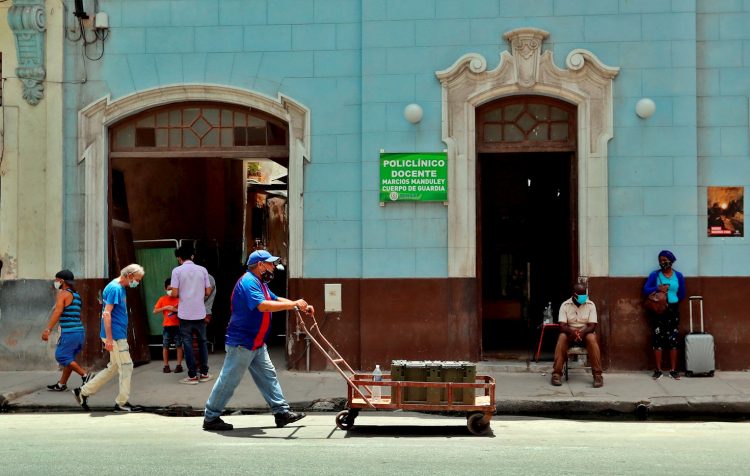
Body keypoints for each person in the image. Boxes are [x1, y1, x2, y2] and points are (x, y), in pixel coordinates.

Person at [202, 250, 313, 431]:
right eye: (270, 264)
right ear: (260, 265)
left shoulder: (259, 283)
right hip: (242, 343)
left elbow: (275, 299)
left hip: (256, 343)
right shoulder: (248, 282)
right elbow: (263, 306)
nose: (273, 267)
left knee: (268, 377)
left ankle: (281, 413)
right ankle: (211, 417)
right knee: (229, 380)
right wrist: (293, 304)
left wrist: (299, 306)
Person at [72, 264, 145, 412]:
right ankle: (121, 403)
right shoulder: (116, 288)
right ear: (130, 275)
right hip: (116, 336)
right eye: (137, 279)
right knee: (126, 367)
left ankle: (83, 392)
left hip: (116, 335)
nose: (137, 282)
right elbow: (107, 314)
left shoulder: (117, 287)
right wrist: (110, 339)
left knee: (114, 367)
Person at [41, 270, 91, 391]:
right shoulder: (76, 294)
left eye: (56, 280)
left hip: (70, 332)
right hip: (78, 332)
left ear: (61, 281)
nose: (55, 282)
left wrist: (48, 330)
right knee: (69, 358)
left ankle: (86, 376)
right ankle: (61, 384)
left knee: (61, 356)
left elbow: (57, 312)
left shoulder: (62, 293)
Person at [171, 245, 212, 384]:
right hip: (200, 313)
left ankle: (193, 376)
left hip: (184, 314)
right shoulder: (203, 270)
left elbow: (175, 293)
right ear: (193, 256)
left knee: (187, 344)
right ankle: (205, 373)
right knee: (202, 343)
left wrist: (175, 291)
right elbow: (208, 291)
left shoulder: (176, 271)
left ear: (179, 258)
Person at [643, 250, 686, 380]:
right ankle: (658, 370)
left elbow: (682, 294)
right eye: (660, 260)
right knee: (658, 339)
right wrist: (658, 289)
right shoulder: (654, 275)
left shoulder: (678, 276)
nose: (663, 262)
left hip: (673, 310)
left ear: (671, 261)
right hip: (659, 310)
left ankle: (673, 370)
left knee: (673, 339)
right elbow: (645, 290)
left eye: (665, 260)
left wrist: (672, 300)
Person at [550, 283, 604, 388]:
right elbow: (562, 326)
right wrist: (573, 332)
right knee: (561, 337)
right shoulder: (565, 305)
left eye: (585, 294)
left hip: (586, 333)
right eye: (582, 295)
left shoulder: (591, 305)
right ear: (574, 295)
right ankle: (556, 374)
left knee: (592, 338)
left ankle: (597, 375)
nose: (584, 296)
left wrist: (582, 333)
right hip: (569, 333)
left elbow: (592, 326)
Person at [152, 278, 183, 374]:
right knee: (165, 346)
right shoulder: (162, 299)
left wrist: (175, 310)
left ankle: (179, 365)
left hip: (178, 326)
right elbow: (155, 311)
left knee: (179, 345)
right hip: (167, 326)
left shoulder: (180, 299)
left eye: (172, 289)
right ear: (165, 289)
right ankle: (166, 365)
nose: (171, 291)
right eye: (169, 289)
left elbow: (185, 311)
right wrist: (165, 307)